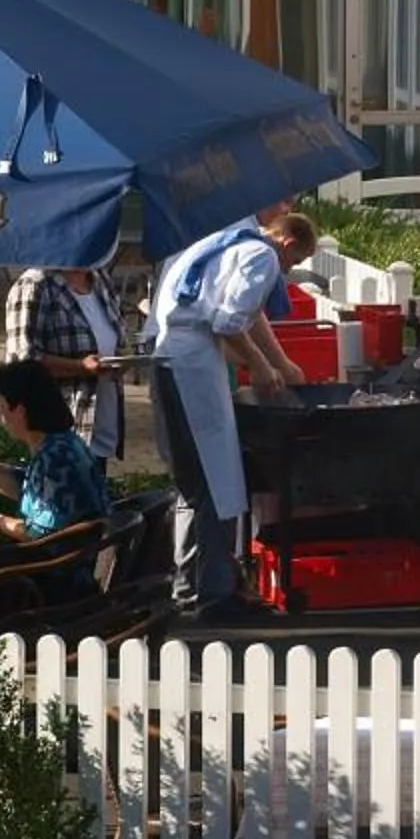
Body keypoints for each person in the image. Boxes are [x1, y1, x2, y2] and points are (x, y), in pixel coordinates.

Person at [150, 211, 317, 621]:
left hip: (167, 358)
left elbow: (243, 313)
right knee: (216, 481)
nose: (288, 272)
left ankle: (187, 587)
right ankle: (215, 594)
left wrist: (280, 360)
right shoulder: (261, 257)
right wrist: (261, 367)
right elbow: (226, 321)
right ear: (288, 243)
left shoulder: (226, 239)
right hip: (193, 365)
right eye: (294, 264)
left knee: (191, 485)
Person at [0, 359, 112, 541]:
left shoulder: (56, 458)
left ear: (19, 411)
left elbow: (39, 534)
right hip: (73, 558)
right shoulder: (60, 443)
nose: (2, 417)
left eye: (2, 407)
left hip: (64, 566)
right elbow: (26, 486)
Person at [5, 264, 125, 462]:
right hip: (57, 434)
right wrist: (79, 367)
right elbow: (21, 363)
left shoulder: (100, 278)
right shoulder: (35, 284)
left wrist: (122, 359)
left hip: (99, 428)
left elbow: (117, 340)